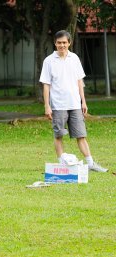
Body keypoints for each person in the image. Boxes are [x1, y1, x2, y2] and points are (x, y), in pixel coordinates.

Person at [39, 30, 107, 172]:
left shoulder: (74, 58)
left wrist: (83, 101)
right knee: (58, 136)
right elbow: (46, 85)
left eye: (64, 42)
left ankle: (90, 164)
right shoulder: (48, 61)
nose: (62, 45)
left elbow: (79, 81)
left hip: (75, 104)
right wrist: (47, 106)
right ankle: (62, 165)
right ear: (55, 43)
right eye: (59, 43)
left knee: (81, 135)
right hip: (58, 105)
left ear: (69, 43)